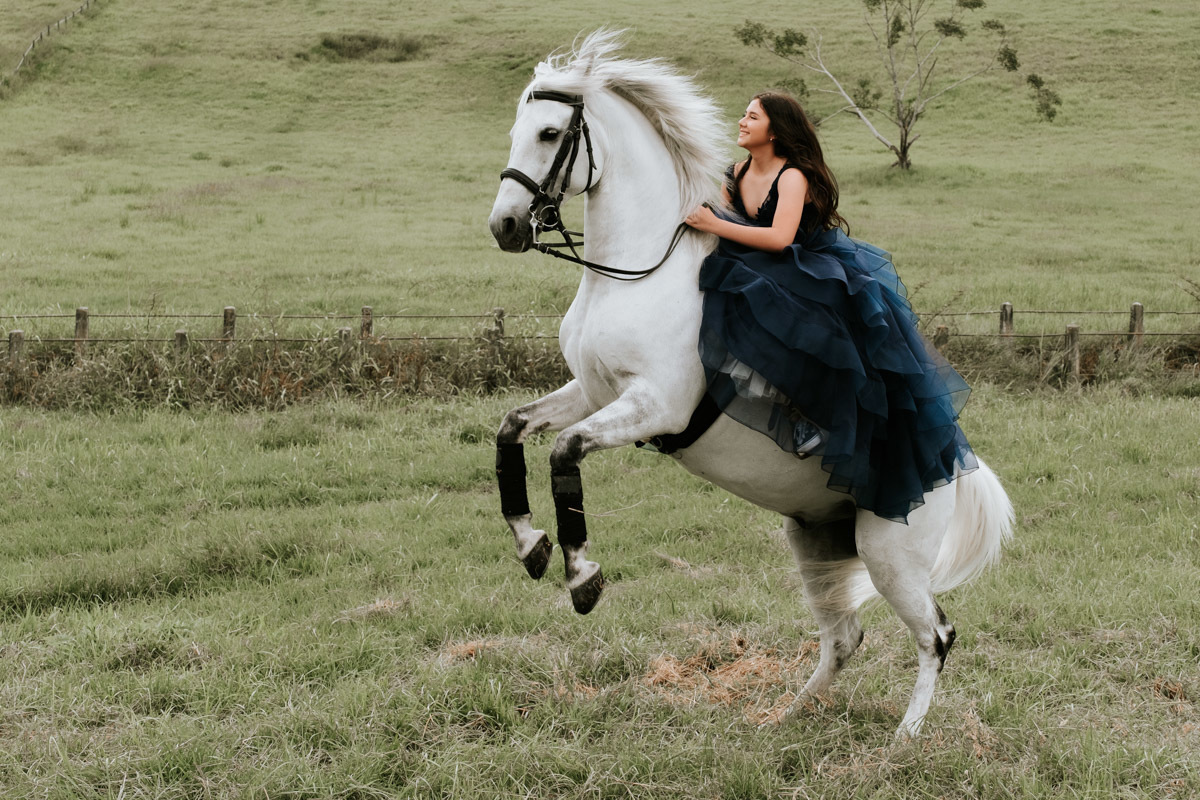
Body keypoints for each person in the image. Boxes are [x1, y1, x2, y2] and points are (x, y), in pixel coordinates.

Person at [685, 91, 976, 524]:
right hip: (753, 261)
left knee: (812, 321)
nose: (742, 122)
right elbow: (732, 226)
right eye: (743, 114)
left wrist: (715, 222)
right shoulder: (737, 171)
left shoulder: (793, 177)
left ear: (775, 130)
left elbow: (782, 239)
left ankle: (811, 415)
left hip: (801, 264)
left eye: (752, 116)